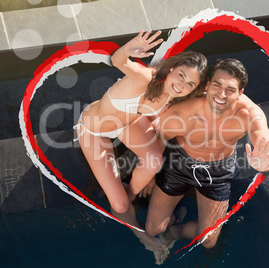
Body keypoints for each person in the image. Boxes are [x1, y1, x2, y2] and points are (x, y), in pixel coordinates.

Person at [73, 31, 208, 261]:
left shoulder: (175, 95)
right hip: (95, 130)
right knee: (118, 204)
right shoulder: (147, 77)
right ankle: (140, 233)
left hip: (129, 123)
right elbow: (118, 61)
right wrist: (128, 50)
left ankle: (132, 193)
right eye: (181, 75)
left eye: (190, 84)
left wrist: (151, 176)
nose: (181, 84)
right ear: (173, 68)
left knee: (154, 162)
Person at [145, 58, 269, 253]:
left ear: (240, 93)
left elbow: (265, 141)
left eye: (231, 90)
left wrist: (266, 162)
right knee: (153, 229)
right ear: (207, 85)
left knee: (208, 241)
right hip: (179, 163)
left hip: (218, 171)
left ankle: (177, 231)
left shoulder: (249, 114)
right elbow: (159, 139)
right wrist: (151, 174)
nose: (222, 94)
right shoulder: (185, 111)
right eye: (217, 85)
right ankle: (176, 215)